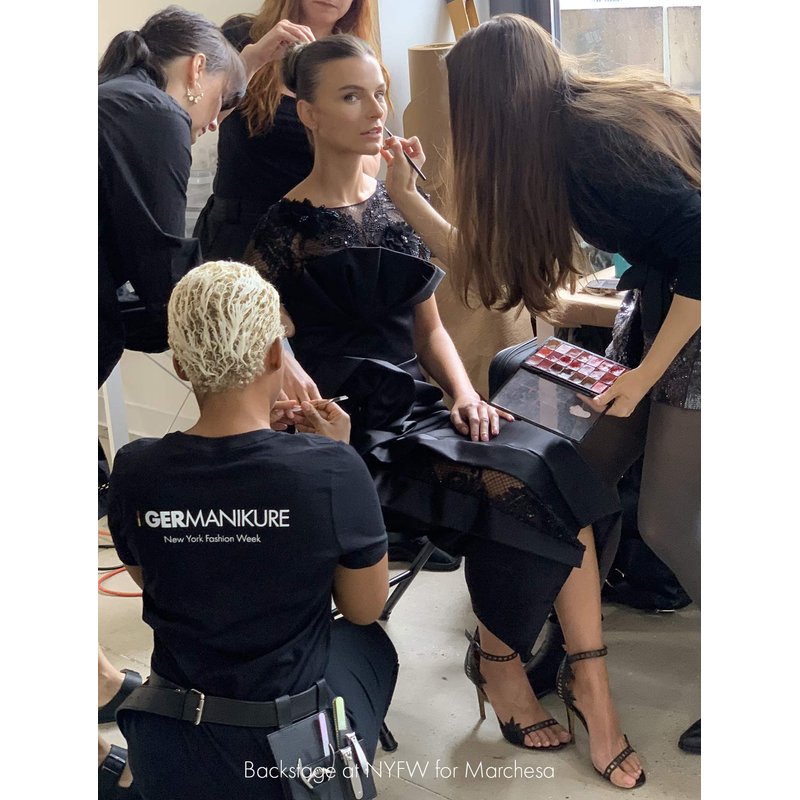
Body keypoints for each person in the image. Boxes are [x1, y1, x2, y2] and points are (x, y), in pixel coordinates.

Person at [245, 35, 644, 788]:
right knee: (517, 491)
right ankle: (504, 666)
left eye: (379, 93)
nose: (376, 110)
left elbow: (429, 332)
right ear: (309, 114)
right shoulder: (280, 227)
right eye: (351, 96)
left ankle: (584, 680)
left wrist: (465, 395)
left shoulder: (395, 206)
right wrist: (288, 366)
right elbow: (266, 345)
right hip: (346, 429)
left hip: (421, 406)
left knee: (557, 466)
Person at [383, 14, 701, 757]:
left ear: (491, 102)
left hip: (703, 314)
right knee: (562, 478)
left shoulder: (596, 143)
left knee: (668, 523)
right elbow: (498, 271)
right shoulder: (555, 144)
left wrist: (643, 378)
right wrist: (405, 197)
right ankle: (531, 647)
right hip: (667, 308)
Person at [107, 261, 397, 800]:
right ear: (274, 356)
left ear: (181, 365)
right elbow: (363, 608)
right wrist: (334, 459)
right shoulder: (332, 469)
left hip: (171, 745)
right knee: (368, 646)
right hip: (278, 762)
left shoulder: (135, 469)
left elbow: (154, 578)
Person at [99, 3, 279, 387]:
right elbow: (165, 275)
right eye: (223, 100)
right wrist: (264, 342)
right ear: (197, 68)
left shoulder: (115, 98)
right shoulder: (155, 112)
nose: (214, 123)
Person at [193, 0, 381, 265]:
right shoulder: (243, 35)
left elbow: (369, 166)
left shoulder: (355, 56)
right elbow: (199, 119)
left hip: (320, 234)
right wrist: (252, 60)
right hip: (239, 233)